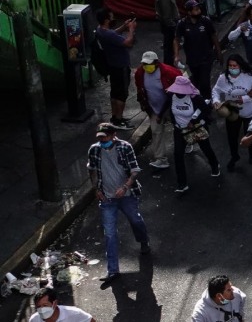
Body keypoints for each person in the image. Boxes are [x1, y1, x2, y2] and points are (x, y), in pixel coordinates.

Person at [87, 123, 150, 281]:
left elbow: (135, 170)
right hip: (107, 198)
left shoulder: (125, 147)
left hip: (127, 195)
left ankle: (143, 241)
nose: (102, 140)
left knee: (135, 220)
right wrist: (96, 189)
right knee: (109, 234)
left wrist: (125, 187)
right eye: (100, 138)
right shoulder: (94, 150)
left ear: (113, 135)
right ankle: (113, 270)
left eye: (105, 137)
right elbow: (92, 170)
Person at [165, 75, 221, 193]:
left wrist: (194, 121)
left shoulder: (195, 98)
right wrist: (161, 116)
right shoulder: (171, 96)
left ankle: (215, 165)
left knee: (205, 148)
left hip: (196, 129)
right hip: (179, 130)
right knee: (178, 155)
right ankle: (182, 183)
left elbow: (206, 110)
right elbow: (167, 107)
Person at [212, 54, 252, 172]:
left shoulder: (251, 77)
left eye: (235, 66)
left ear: (241, 65)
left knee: (250, 134)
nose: (232, 68)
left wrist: (243, 99)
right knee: (232, 136)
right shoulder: (223, 78)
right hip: (232, 112)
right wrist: (216, 101)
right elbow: (216, 90)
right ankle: (234, 156)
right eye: (230, 66)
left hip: (250, 111)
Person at [134, 51, 181, 170]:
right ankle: (161, 159)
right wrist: (143, 104)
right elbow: (140, 90)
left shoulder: (169, 72)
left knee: (180, 127)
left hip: (171, 106)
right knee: (156, 131)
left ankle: (186, 143)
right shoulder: (140, 73)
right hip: (154, 108)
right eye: (144, 64)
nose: (146, 67)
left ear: (156, 63)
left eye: (148, 64)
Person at [95, 9, 136, 128]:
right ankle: (119, 119)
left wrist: (124, 26)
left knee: (114, 93)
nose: (114, 19)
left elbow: (113, 33)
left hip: (112, 65)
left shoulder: (100, 30)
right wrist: (131, 29)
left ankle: (114, 117)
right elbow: (128, 42)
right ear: (107, 20)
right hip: (121, 66)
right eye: (112, 17)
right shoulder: (109, 35)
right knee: (122, 94)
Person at [154, 0, 179, 67]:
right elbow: (167, 15)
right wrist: (173, 26)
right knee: (169, 47)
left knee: (168, 46)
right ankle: (169, 66)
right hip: (169, 25)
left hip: (167, 24)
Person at [29, 286, 95, 322]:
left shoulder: (75, 313)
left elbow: (90, 320)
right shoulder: (34, 319)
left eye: (45, 305)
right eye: (38, 306)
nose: (41, 310)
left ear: (54, 303)